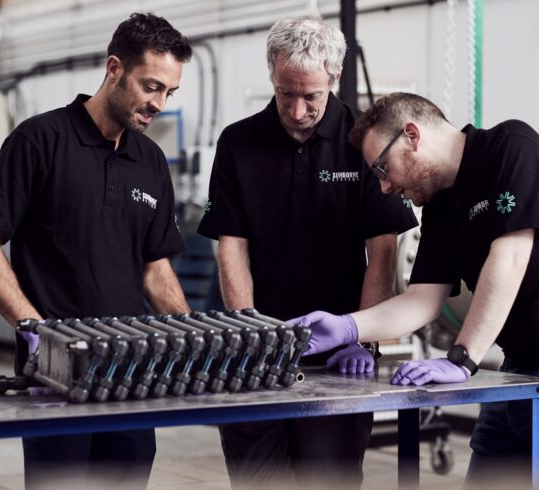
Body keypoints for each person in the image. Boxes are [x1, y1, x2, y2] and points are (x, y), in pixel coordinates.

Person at [291, 92, 539, 489]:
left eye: (381, 168)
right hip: (520, 368)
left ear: (411, 135)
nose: (385, 188)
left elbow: (509, 258)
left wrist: (461, 358)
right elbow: (422, 298)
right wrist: (347, 327)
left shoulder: (511, 148)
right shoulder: (440, 207)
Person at [0, 12, 192, 490]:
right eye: (151, 86)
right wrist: (36, 330)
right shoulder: (39, 140)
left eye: (169, 92)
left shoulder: (150, 160)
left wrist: (191, 337)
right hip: (56, 376)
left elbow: (155, 268)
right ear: (114, 69)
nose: (160, 104)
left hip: (130, 372)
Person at [197, 16, 417, 489]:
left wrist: (363, 337)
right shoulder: (238, 142)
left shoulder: (366, 142)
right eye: (285, 93)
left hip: (340, 356)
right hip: (257, 356)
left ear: (335, 77)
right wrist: (251, 333)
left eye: (310, 96)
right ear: (272, 77)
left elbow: (382, 250)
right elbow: (232, 247)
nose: (296, 110)